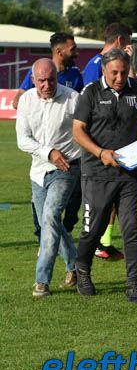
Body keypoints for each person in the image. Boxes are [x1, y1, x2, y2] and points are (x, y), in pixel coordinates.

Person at [72, 48, 137, 302]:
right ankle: (82, 270)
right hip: (96, 172)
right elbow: (78, 131)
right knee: (93, 229)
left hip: (129, 173)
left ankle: (133, 285)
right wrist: (100, 152)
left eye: (124, 72)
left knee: (133, 228)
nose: (119, 78)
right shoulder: (91, 92)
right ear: (104, 70)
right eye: (114, 72)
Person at [16, 59, 80, 296]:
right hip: (38, 171)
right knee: (48, 224)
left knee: (51, 216)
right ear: (33, 80)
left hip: (67, 168)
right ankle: (76, 266)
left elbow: (87, 130)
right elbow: (23, 140)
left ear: (57, 78)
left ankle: (42, 281)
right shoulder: (26, 100)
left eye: (51, 80)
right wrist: (48, 152)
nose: (46, 85)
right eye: (41, 80)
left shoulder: (73, 99)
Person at [13, 32, 83, 243]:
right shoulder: (36, 73)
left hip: (71, 160)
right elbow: (19, 100)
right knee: (48, 219)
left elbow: (83, 112)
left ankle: (53, 245)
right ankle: (52, 249)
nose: (76, 52)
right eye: (72, 48)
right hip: (42, 163)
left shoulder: (75, 76)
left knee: (67, 211)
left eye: (50, 80)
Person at [81, 22, 135, 261]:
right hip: (99, 146)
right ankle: (95, 245)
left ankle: (104, 242)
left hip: (110, 143)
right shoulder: (99, 67)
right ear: (121, 41)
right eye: (128, 42)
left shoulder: (95, 63)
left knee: (111, 200)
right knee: (100, 202)